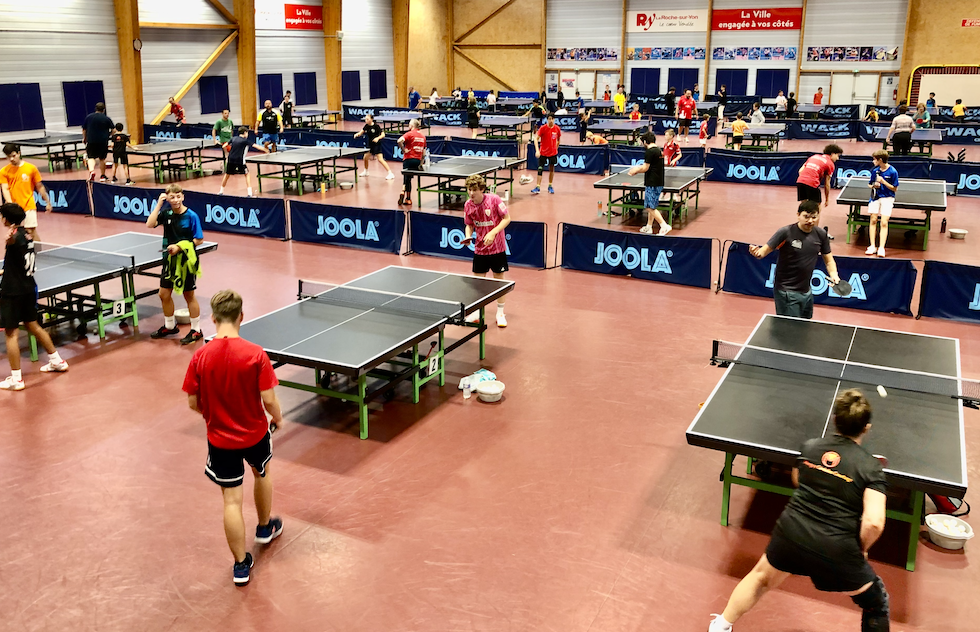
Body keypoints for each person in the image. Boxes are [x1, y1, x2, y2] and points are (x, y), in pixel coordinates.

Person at [708, 389, 889, 632]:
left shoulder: (811, 447)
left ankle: (720, 626)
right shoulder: (871, 468)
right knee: (875, 604)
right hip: (836, 547)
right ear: (866, 427)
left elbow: (798, 478)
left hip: (791, 532)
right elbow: (874, 522)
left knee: (760, 578)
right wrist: (861, 548)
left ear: (835, 419)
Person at [182, 289, 285, 586]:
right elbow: (268, 399)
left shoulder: (201, 356)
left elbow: (192, 402)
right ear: (241, 316)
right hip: (254, 433)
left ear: (213, 318)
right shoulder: (255, 354)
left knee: (231, 500)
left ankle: (241, 565)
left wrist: (213, 416)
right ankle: (264, 528)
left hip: (220, 439)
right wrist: (277, 418)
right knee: (261, 472)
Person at [0, 203, 69, 391]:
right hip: (28, 287)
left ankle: (16, 379)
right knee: (33, 325)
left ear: (7, 219)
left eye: (2, 216)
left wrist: (10, 238)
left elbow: (13, 243)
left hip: (12, 291)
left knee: (11, 332)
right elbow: (19, 259)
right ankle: (57, 361)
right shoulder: (28, 235)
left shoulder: (13, 237)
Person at [749, 200, 840, 319]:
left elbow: (829, 260)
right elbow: (763, 252)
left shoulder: (821, 235)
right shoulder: (786, 232)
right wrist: (756, 252)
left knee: (804, 329)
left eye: (814, 217)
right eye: (806, 217)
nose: (810, 221)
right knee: (790, 331)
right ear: (798, 215)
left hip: (806, 291)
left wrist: (834, 274)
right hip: (786, 292)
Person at [146, 184, 205, 344]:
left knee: (189, 295)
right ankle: (170, 326)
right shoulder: (166, 214)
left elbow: (199, 239)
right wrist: (159, 204)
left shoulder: (191, 216)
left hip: (186, 261)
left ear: (183, 196)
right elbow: (150, 224)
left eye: (179, 196)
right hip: (169, 260)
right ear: (167, 197)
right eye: (172, 197)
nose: (176, 200)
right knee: (163, 294)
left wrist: (180, 247)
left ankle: (196, 330)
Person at [463, 175, 511, 328]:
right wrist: (468, 236)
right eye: (469, 190)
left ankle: (500, 313)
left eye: (475, 190)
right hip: (480, 249)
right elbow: (469, 224)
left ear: (482, 190)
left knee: (499, 282)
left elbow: (507, 218)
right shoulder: (468, 205)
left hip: (497, 248)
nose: (471, 193)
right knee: (478, 283)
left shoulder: (494, 200)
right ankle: (476, 312)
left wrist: (492, 233)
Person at [1, 144, 51, 240]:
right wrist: (11, 205)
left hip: (28, 205)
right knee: (14, 232)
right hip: (14, 208)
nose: (11, 159)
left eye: (13, 155)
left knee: (30, 231)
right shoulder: (4, 171)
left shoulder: (31, 168)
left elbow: (39, 186)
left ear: (19, 153)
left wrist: (47, 202)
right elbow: (5, 188)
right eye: (8, 157)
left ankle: (39, 253)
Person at [628, 132, 670, 235]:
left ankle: (664, 226)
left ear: (646, 142)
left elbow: (645, 168)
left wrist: (635, 170)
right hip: (659, 182)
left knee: (649, 207)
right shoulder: (659, 151)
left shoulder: (649, 152)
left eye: (643, 142)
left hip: (652, 182)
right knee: (652, 206)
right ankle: (649, 226)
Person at [865, 150, 899, 258]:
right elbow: (869, 184)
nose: (873, 161)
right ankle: (872, 246)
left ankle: (881, 248)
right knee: (873, 219)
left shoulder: (893, 171)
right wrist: (874, 185)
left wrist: (883, 182)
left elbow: (895, 188)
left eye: (875, 159)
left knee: (884, 222)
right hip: (875, 197)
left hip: (888, 198)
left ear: (880, 160)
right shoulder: (874, 171)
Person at [353, 114, 394, 179]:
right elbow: (361, 132)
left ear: (371, 119)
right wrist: (357, 134)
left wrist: (377, 138)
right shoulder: (366, 126)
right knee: (365, 158)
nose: (366, 120)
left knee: (380, 159)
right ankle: (366, 171)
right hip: (370, 145)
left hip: (377, 145)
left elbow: (383, 134)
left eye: (367, 119)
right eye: (365, 119)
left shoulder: (376, 126)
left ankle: (390, 173)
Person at [82, 102, 114, 181]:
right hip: (103, 141)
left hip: (91, 140)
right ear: (104, 109)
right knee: (102, 158)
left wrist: (84, 138)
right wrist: (108, 135)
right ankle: (103, 176)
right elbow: (114, 130)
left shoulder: (88, 117)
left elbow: (84, 129)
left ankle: (92, 171)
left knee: (90, 157)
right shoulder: (106, 118)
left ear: (95, 108)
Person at [219, 127, 255, 197]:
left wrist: (226, 154)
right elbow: (256, 146)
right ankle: (250, 193)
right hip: (239, 160)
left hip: (230, 159)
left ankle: (220, 192)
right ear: (245, 133)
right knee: (247, 174)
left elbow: (224, 146)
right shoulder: (245, 141)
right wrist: (265, 149)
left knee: (227, 175)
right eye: (247, 132)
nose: (247, 134)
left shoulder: (233, 138)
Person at [397, 119, 426, 206]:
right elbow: (424, 154)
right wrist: (421, 164)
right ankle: (408, 198)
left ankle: (403, 191)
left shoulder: (409, 134)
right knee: (408, 178)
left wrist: (403, 150)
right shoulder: (423, 136)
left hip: (408, 158)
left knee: (406, 178)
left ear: (412, 126)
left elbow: (399, 141)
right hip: (417, 160)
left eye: (409, 125)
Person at [532, 113, 561, 195]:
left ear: (554, 119)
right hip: (543, 153)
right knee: (540, 169)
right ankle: (538, 187)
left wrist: (556, 148)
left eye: (552, 119)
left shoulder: (557, 129)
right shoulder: (543, 128)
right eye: (549, 119)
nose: (550, 120)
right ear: (547, 119)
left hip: (553, 153)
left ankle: (550, 186)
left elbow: (558, 140)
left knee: (551, 169)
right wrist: (537, 151)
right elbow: (535, 139)